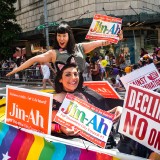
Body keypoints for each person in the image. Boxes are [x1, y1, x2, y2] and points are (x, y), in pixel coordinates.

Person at [6, 21, 123, 77]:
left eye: (64, 36)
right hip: (63, 92)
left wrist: (116, 38)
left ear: (69, 36)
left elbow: (101, 42)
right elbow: (32, 60)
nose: (61, 39)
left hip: (81, 89)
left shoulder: (80, 48)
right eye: (59, 36)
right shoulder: (53, 53)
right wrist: (15, 71)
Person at [51, 56, 123, 139]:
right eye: (68, 75)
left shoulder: (84, 94)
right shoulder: (53, 100)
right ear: (60, 79)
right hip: (71, 146)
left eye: (75, 74)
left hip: (97, 145)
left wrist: (116, 109)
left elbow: (96, 120)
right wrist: (60, 128)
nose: (73, 78)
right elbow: (42, 124)